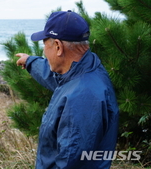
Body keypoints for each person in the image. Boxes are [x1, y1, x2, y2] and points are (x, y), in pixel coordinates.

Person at [16, 10, 119, 169]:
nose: (44, 51)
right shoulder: (85, 68)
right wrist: (30, 61)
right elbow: (56, 77)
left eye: (44, 45)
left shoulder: (83, 97)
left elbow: (70, 162)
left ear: (58, 46)